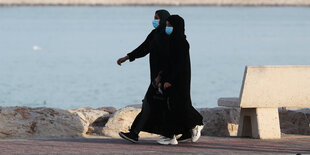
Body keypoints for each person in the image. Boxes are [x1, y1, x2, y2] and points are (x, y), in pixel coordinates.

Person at [117, 9, 170, 143]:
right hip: (156, 77)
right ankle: (185, 130)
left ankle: (134, 133)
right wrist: (127, 57)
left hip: (163, 77)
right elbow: (143, 48)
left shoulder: (167, 37)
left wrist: (160, 76)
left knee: (148, 103)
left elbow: (168, 59)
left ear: (164, 19)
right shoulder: (155, 34)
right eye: (154, 17)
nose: (154, 20)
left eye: (157, 18)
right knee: (153, 104)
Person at [156, 15, 204, 145]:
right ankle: (178, 133)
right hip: (170, 78)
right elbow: (169, 63)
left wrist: (169, 80)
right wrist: (161, 77)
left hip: (179, 80)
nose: (167, 28)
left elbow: (179, 64)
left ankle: (196, 123)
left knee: (178, 104)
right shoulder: (171, 40)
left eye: (169, 25)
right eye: (167, 25)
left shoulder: (181, 42)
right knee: (173, 106)